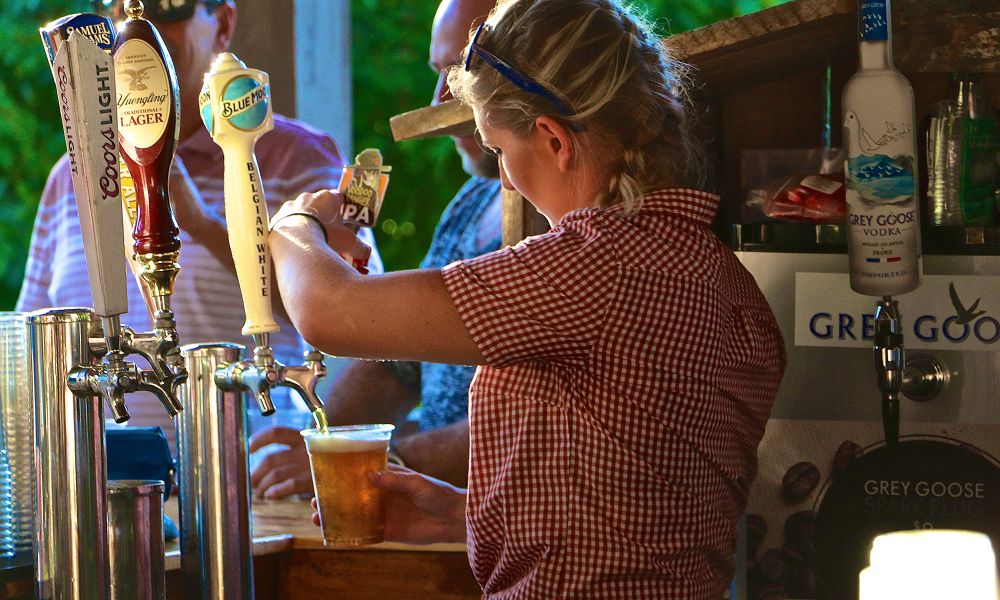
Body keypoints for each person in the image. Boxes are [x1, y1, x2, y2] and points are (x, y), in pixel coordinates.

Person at [270, 0, 786, 596]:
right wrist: (464, 515)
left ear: (553, 139)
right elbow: (638, 505)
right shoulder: (721, 275)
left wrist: (294, 224)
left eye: (497, 150)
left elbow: (328, 313)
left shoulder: (593, 267)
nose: (507, 179)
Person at [17, 0, 382, 444]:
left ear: (223, 24)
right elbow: (26, 346)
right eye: (114, 8)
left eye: (168, 8)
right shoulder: (70, 175)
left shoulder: (299, 158)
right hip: (97, 486)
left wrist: (201, 221)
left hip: (245, 481)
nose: (137, 28)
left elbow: (360, 321)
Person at [248, 0, 500, 495]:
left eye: (462, 70)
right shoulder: (469, 203)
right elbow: (400, 364)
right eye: (438, 73)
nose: (438, 99)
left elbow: (524, 431)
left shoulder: (575, 227)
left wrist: (296, 224)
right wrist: (322, 444)